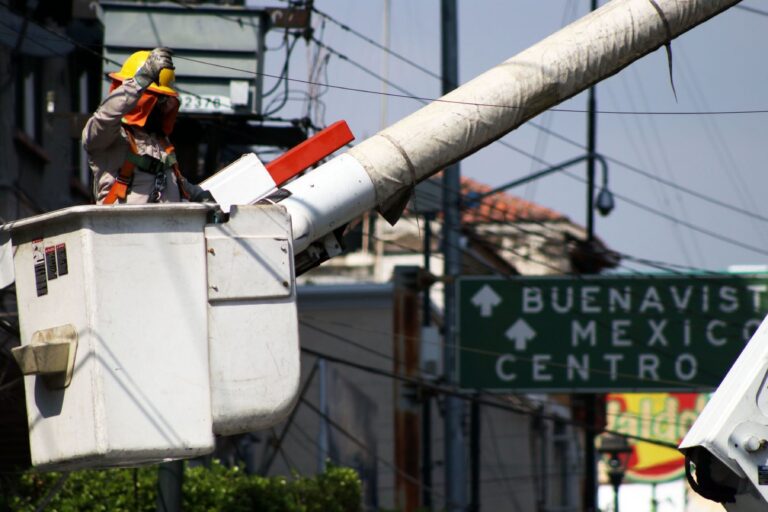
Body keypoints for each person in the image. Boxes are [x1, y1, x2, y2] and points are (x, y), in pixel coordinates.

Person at [83, 47, 212, 204]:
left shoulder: (161, 142)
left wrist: (198, 195)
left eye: (168, 100)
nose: (167, 107)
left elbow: (174, 181)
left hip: (166, 225)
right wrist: (141, 80)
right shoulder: (111, 138)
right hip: (122, 226)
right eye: (162, 100)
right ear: (144, 100)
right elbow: (105, 117)